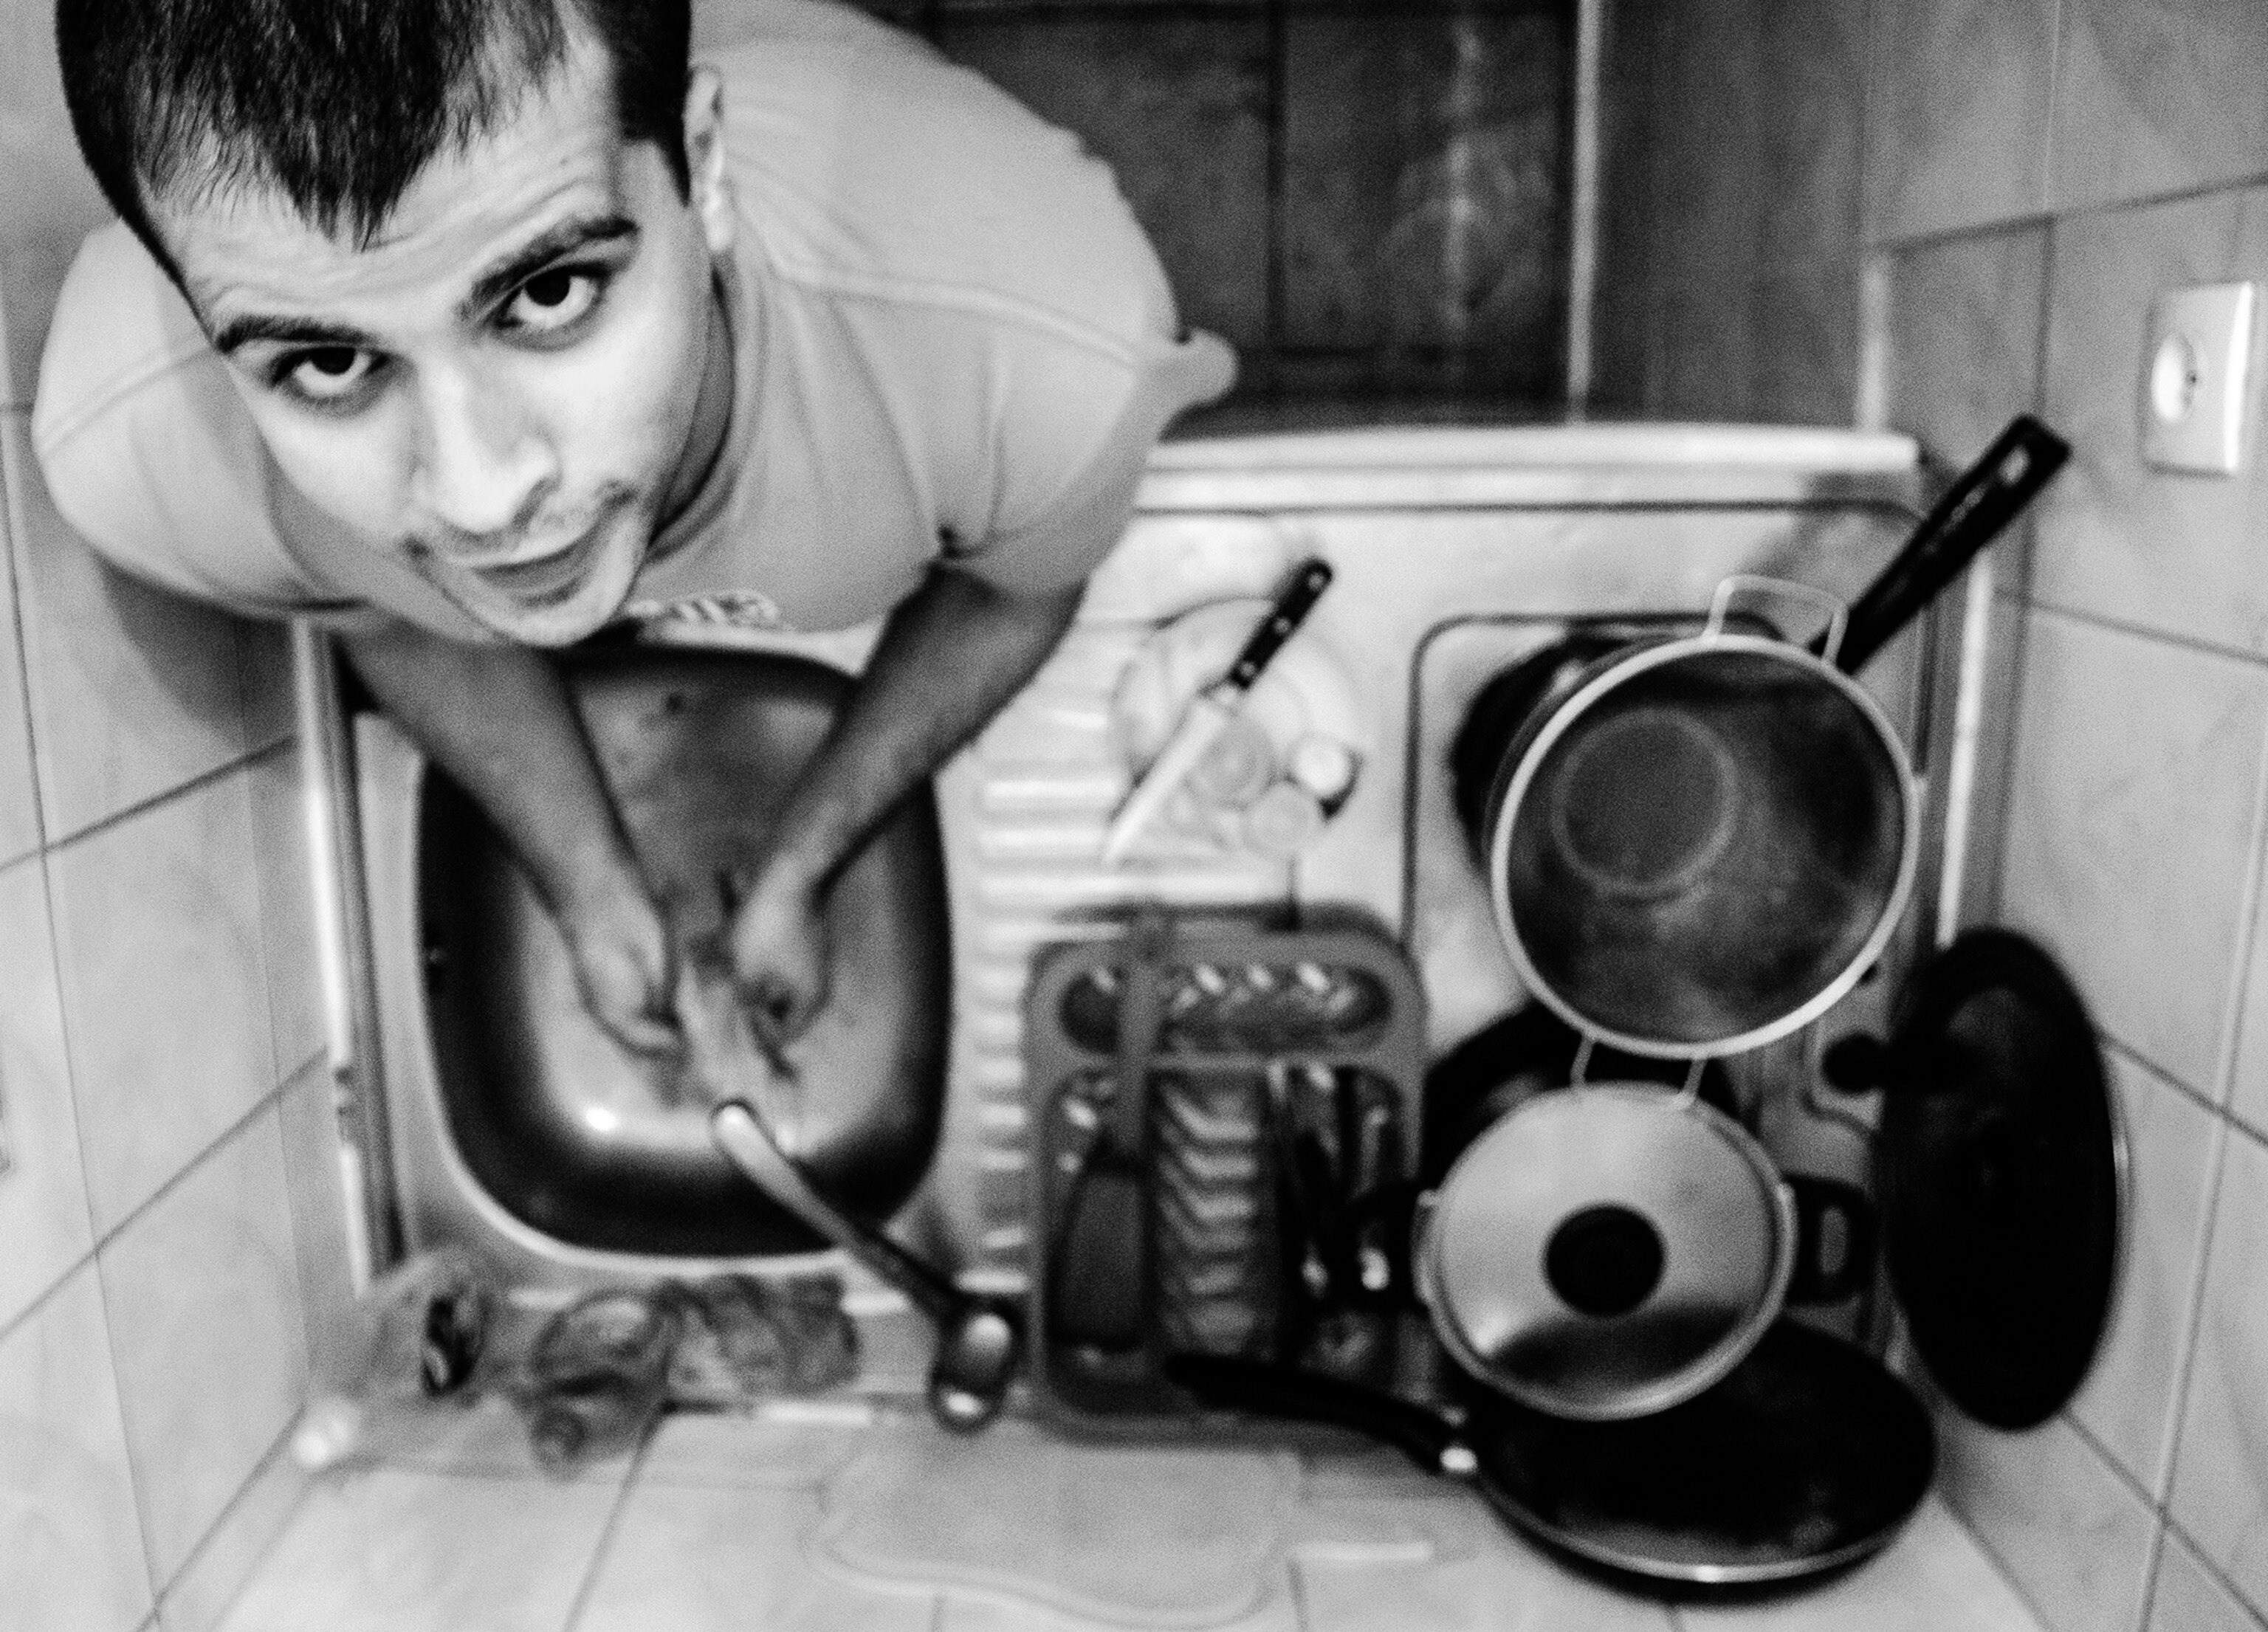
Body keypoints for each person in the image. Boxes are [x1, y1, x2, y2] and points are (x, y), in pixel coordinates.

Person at [35, 0, 1233, 1058]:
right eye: (330, 360)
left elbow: (1015, 586)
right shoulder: (151, 460)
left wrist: (804, 862)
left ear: (704, 170)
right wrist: (592, 887)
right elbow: (379, 609)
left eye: (548, 294)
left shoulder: (1035, 354)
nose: (477, 497)